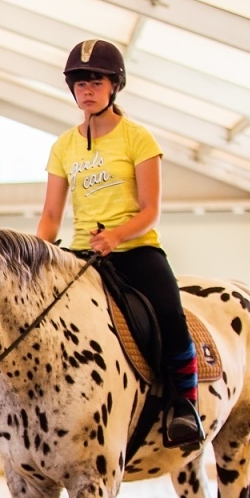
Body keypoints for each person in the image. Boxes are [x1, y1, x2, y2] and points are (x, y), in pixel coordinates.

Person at [36, 38, 203, 448]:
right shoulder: (63, 146)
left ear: (114, 85)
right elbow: (52, 216)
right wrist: (35, 255)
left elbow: (150, 210)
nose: (86, 91)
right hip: (79, 254)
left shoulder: (138, 139)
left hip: (136, 250)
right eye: (80, 84)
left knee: (169, 312)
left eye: (95, 82)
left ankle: (185, 404)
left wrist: (115, 236)